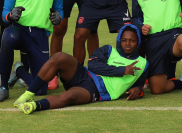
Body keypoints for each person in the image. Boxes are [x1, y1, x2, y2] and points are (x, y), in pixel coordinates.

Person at [12, 24, 148, 114]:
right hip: (84, 75)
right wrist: (121, 70)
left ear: (138, 42)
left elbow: (139, 84)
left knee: (69, 97)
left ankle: (34, 106)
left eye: (132, 40)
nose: (128, 44)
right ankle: (26, 96)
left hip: (95, 91)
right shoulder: (108, 50)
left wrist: (138, 90)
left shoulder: (143, 64)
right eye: (124, 40)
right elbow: (93, 65)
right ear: (119, 40)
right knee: (59, 57)